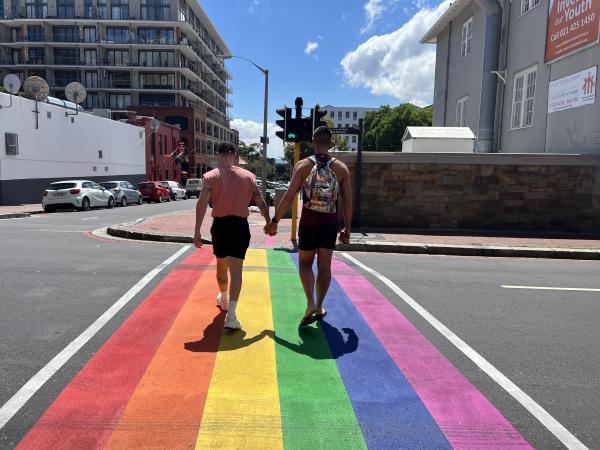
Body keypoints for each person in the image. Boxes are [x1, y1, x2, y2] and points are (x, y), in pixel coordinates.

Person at [265, 126, 352, 325]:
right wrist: (347, 230)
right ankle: (320, 305)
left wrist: (275, 221)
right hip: (330, 223)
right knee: (324, 266)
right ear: (331, 143)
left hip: (308, 223)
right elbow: (347, 202)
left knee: (305, 264)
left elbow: (289, 196)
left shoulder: (303, 165)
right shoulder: (341, 168)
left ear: (313, 142)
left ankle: (310, 302)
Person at [194, 142, 271, 330]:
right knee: (236, 271)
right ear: (234, 156)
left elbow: (202, 203)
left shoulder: (211, 177)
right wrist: (269, 221)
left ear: (218, 155)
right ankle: (232, 316)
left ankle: (225, 299)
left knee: (221, 264)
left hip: (220, 226)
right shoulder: (248, 177)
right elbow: (260, 200)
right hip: (239, 226)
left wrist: (197, 231)